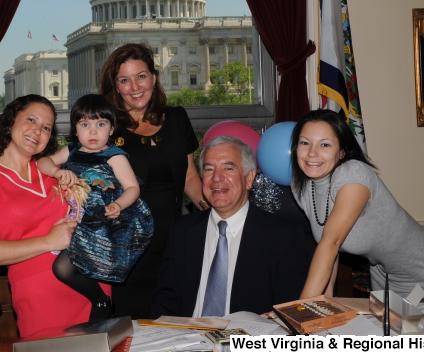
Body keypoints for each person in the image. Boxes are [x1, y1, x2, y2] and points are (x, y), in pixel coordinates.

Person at [0, 94, 110, 337]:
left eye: (46, 127)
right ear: (10, 122)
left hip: (94, 288)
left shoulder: (56, 171)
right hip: (40, 300)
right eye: (31, 120)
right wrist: (50, 241)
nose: (37, 131)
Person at [291, 109, 424, 302]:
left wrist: (301, 309)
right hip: (385, 277)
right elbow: (329, 251)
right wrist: (324, 303)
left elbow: (332, 242)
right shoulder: (302, 186)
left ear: (342, 152)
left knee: (412, 332)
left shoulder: (353, 173)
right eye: (305, 143)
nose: (312, 153)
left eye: (325, 144)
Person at [99, 43, 206, 318]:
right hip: (129, 244)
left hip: (174, 240)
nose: (135, 86)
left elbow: (190, 177)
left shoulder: (177, 118)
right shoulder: (105, 128)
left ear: (154, 78)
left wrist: (214, 206)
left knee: (175, 322)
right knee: (132, 324)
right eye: (124, 80)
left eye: (141, 76)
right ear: (115, 85)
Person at [150, 136, 312, 317]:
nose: (217, 178)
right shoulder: (182, 230)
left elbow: (288, 311)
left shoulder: (283, 236)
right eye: (209, 169)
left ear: (249, 179)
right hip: (187, 338)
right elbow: (165, 301)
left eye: (228, 168)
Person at [37, 94, 154, 320]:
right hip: (77, 218)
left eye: (100, 124)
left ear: (111, 130)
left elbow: (133, 188)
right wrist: (57, 171)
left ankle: (100, 301)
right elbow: (42, 161)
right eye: (85, 124)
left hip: (102, 221)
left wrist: (118, 204)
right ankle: (101, 302)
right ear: (75, 129)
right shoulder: (71, 150)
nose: (92, 132)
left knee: (62, 267)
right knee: (63, 268)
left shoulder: (114, 156)